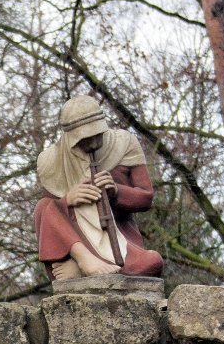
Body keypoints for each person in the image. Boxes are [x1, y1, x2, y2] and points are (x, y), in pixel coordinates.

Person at [33, 96, 166, 279]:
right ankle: (82, 259)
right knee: (44, 206)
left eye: (97, 135)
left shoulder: (125, 144)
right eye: (85, 139)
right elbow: (49, 215)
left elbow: (146, 197)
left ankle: (86, 269)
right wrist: (67, 201)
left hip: (119, 241)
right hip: (75, 241)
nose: (94, 143)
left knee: (153, 262)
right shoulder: (51, 160)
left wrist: (116, 192)